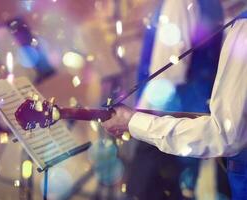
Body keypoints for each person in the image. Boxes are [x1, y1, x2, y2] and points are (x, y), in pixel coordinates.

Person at [102, 9, 247, 200]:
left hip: (175, 124)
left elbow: (168, 76)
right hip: (190, 123)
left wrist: (133, 121)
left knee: (144, 189)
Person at [127, 0, 227, 199]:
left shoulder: (177, 2)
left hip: (165, 117)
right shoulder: (213, 4)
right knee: (179, 189)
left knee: (144, 190)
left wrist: (136, 118)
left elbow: (169, 71)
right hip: (194, 116)